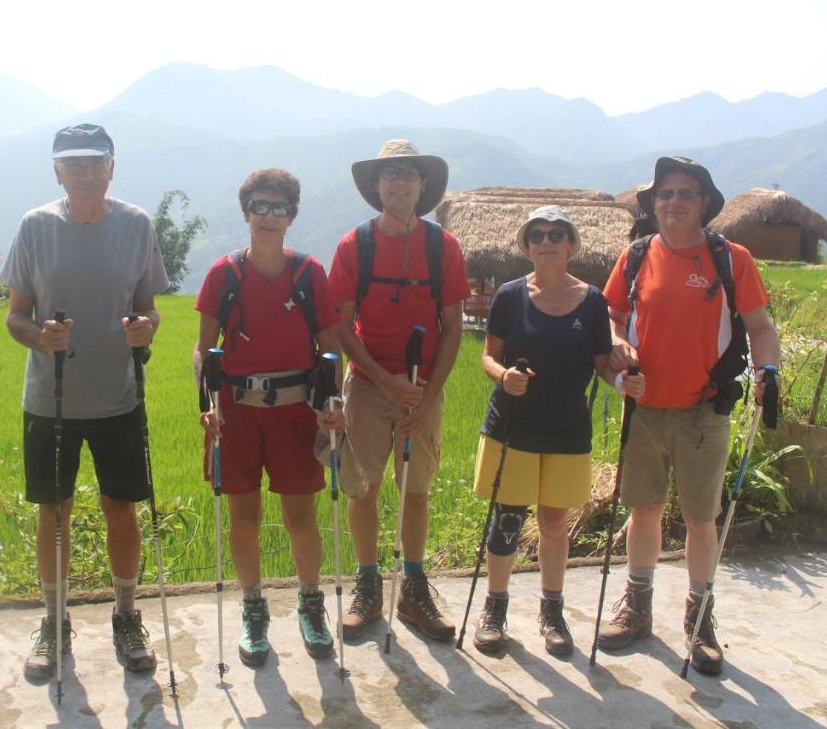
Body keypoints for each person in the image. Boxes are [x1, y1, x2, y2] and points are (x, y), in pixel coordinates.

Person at [596, 156, 780, 675]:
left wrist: (768, 370)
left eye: (685, 194)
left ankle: (700, 622)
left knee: (702, 521)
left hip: (704, 411)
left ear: (704, 204)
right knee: (644, 513)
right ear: (653, 205)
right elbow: (612, 320)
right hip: (644, 411)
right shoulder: (634, 257)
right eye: (665, 194)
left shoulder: (729, 259)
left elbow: (761, 327)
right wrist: (617, 349)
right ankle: (637, 609)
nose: (673, 202)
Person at [0, 124, 170, 681]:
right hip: (50, 399)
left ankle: (125, 614)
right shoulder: (35, 226)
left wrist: (146, 327)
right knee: (55, 512)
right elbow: (14, 316)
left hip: (119, 395)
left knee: (121, 509)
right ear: (57, 172)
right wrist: (38, 337)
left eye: (95, 163)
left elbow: (149, 306)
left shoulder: (137, 224)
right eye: (73, 164)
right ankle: (54, 621)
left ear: (112, 167)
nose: (85, 173)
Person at [467, 206, 644, 656]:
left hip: (567, 430)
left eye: (556, 234)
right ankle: (495, 608)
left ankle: (552, 611)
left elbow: (603, 363)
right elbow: (489, 357)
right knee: (507, 519)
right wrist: (503, 375)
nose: (546, 241)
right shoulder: (509, 295)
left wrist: (625, 382)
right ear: (526, 247)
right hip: (513, 427)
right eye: (537, 235)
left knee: (553, 523)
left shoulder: (592, 301)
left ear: (572, 245)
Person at [194, 168, 347, 666]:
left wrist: (333, 401)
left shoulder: (308, 275)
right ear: (245, 212)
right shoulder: (224, 274)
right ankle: (254, 608)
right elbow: (203, 350)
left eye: (279, 208)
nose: (268, 216)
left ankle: (310, 602)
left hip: (295, 413)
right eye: (259, 206)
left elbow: (330, 349)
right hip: (237, 415)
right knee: (244, 519)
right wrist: (207, 404)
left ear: (292, 216)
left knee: (301, 517)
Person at [328, 138, 472, 642]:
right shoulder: (355, 245)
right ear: (377, 185)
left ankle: (413, 587)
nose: (399, 182)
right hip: (368, 384)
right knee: (362, 486)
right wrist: (382, 378)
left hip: (422, 389)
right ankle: (368, 586)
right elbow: (342, 326)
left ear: (422, 184)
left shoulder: (443, 246)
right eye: (390, 174)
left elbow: (453, 326)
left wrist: (427, 396)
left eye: (408, 173)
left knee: (417, 489)